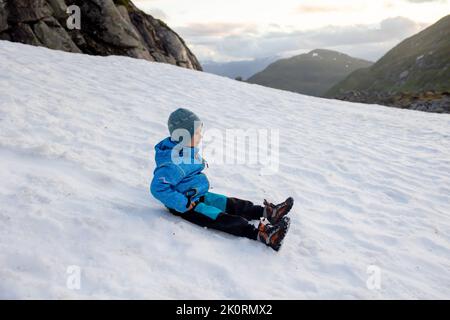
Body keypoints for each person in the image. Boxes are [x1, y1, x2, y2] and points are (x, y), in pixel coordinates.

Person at [150, 108, 292, 251]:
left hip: (196, 193)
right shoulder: (172, 164)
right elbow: (158, 188)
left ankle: (267, 213)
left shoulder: (183, 149)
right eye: (197, 133)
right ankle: (264, 235)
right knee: (219, 217)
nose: (201, 136)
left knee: (229, 203)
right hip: (186, 205)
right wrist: (183, 203)